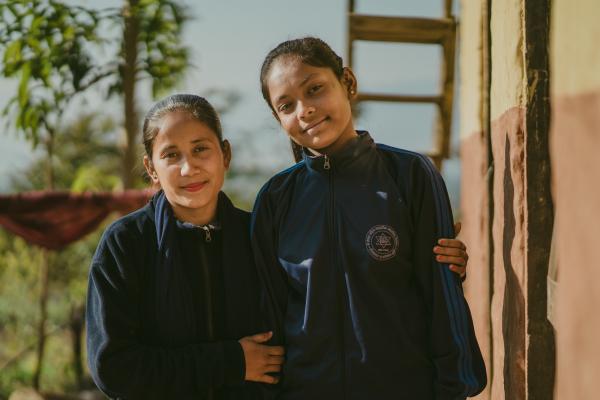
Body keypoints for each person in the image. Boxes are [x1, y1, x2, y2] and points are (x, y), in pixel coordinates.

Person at [251, 37, 486, 399]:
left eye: (315, 89)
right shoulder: (275, 199)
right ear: (277, 117)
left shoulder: (410, 175)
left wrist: (455, 386)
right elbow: (268, 312)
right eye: (286, 105)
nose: (305, 110)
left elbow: (440, 293)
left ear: (348, 82)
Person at [85, 94, 284, 400]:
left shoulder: (258, 236)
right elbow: (114, 368)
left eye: (200, 149)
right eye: (171, 155)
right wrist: (231, 361)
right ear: (151, 168)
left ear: (225, 155)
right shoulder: (126, 243)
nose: (188, 167)